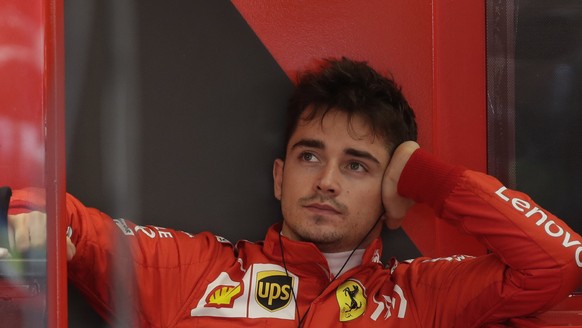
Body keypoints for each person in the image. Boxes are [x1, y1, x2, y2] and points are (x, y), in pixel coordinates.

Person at [5, 57, 582, 327]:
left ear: (390, 193)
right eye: (310, 156)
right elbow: (58, 220)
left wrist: (424, 176)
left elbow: (555, 264)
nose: (326, 180)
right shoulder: (197, 273)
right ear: (281, 177)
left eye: (358, 166)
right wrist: (25, 243)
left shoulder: (421, 297)